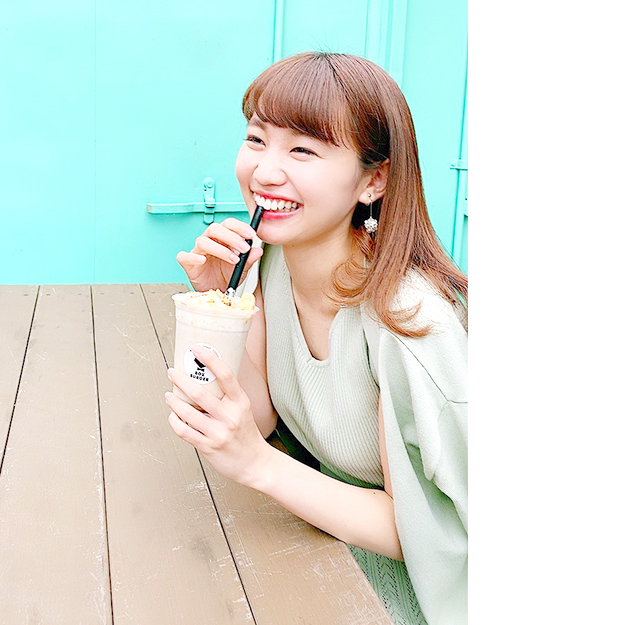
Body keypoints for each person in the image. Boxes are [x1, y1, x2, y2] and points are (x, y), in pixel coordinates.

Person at [164, 52, 468, 625]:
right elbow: (258, 416)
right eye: (257, 139)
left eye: (302, 150)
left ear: (373, 180)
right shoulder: (274, 261)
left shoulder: (409, 324)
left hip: (414, 596)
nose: (265, 171)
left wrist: (259, 465)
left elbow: (436, 532)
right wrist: (223, 303)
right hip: (321, 548)